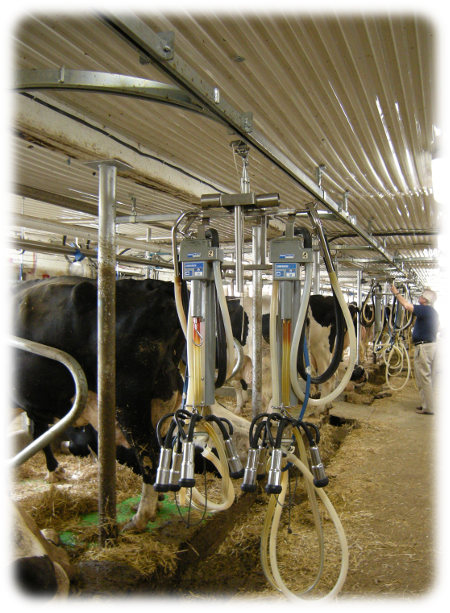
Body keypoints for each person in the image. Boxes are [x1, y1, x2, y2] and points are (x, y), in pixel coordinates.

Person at [390, 284, 439, 415]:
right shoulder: (431, 311)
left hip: (424, 347)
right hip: (428, 346)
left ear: (426, 300)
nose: (420, 296)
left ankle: (428, 408)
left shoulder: (425, 310)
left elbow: (406, 305)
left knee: (424, 377)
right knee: (424, 377)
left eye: (422, 296)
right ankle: (425, 405)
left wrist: (395, 293)